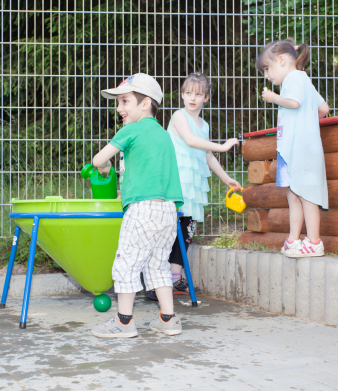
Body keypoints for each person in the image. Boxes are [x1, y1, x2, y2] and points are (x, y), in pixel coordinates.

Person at [90, 73, 184, 338]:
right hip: (167, 211)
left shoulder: (130, 130)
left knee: (127, 264)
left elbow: (98, 160)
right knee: (158, 266)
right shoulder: (164, 135)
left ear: (145, 104)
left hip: (142, 210)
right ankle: (168, 318)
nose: (119, 108)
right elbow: (153, 174)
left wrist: (105, 164)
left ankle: (123, 321)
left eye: (124, 101)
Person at [145, 72, 241, 301]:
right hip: (175, 180)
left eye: (198, 94)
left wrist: (226, 178)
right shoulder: (179, 116)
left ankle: (174, 278)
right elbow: (190, 141)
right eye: (188, 93)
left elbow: (207, 156)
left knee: (187, 229)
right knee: (167, 229)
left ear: (206, 97)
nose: (192, 98)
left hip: (194, 183)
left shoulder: (204, 125)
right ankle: (154, 280)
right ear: (182, 95)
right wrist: (224, 146)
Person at [256, 38, 329, 257]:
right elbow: (323, 108)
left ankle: (314, 242)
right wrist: (307, 124)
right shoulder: (303, 79)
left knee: (306, 194)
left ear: (281, 60)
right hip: (295, 147)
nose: (267, 76)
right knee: (294, 192)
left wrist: (273, 97)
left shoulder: (294, 77)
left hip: (300, 147)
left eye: (267, 69)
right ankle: (293, 239)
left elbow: (295, 102)